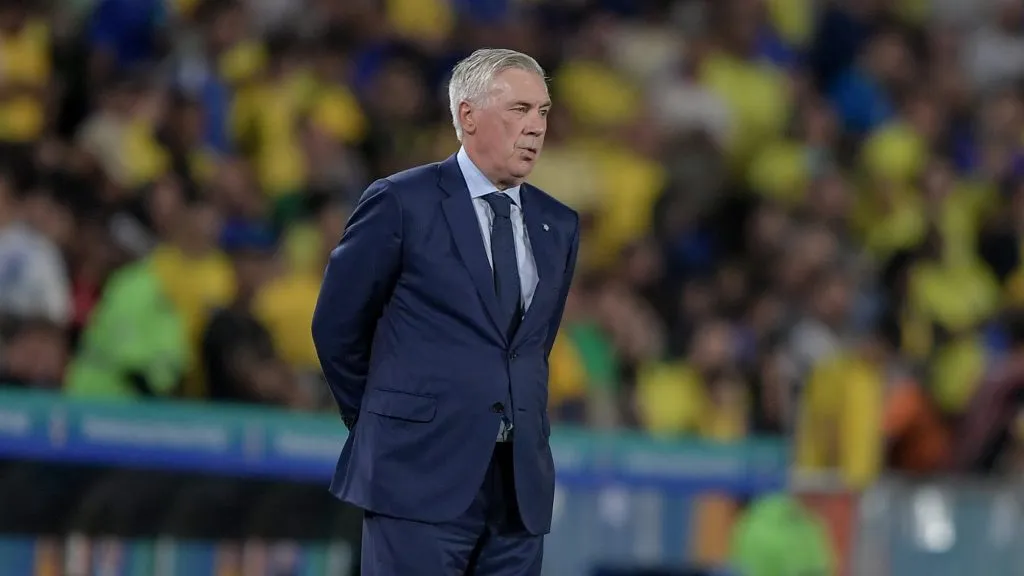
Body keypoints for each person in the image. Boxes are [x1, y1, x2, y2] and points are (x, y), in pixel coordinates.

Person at [312, 48, 580, 575]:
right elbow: (337, 325)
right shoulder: (401, 201)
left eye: (543, 112)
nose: (535, 128)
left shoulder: (559, 225)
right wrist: (385, 422)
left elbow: (530, 347)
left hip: (518, 490)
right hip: (416, 474)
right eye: (519, 110)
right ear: (467, 116)